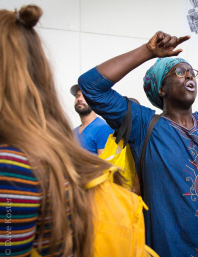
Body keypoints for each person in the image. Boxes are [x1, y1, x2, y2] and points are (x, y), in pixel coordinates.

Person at [78, 31, 198, 256]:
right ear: (161, 89)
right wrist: (147, 51)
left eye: (192, 73)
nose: (189, 76)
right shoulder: (143, 124)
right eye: (180, 72)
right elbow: (90, 86)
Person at [0, 5, 123, 257]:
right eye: (76, 95)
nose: (80, 98)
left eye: (82, 94)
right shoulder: (67, 133)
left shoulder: (100, 129)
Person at [71, 84, 113, 155]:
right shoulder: (73, 132)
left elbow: (106, 164)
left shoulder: (103, 128)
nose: (79, 99)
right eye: (77, 96)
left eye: (84, 96)